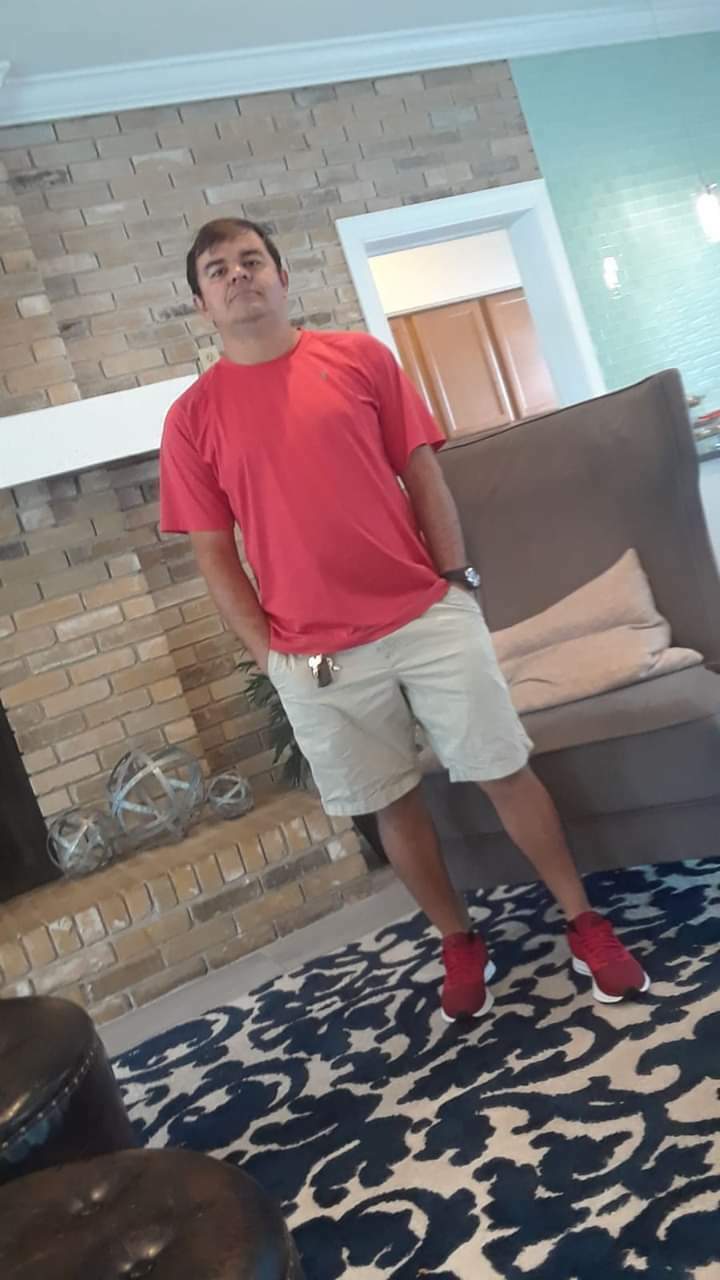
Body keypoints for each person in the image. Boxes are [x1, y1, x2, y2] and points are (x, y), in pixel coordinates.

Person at [159, 216, 650, 1021]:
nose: (239, 275)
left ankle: (582, 920)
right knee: (392, 803)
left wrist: (457, 582)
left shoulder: (360, 359)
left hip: (424, 614)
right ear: (201, 304)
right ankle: (459, 940)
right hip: (315, 657)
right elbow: (214, 554)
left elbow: (423, 473)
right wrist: (270, 657)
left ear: (282, 278)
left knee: (503, 769)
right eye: (218, 270)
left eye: (252, 260)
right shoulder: (190, 420)